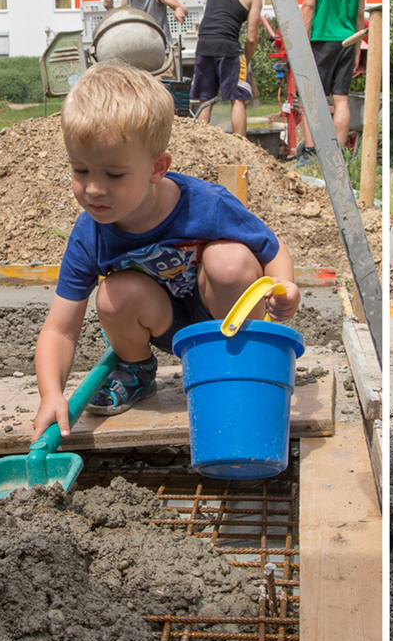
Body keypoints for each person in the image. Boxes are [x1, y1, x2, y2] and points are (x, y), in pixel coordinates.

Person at [31, 62, 301, 439]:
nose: (93, 189)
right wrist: (51, 394)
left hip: (225, 313)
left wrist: (285, 286)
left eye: (113, 174)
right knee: (112, 296)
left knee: (230, 262)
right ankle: (138, 370)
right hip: (162, 323)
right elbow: (60, 331)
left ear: (157, 167)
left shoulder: (206, 204)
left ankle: (238, 364)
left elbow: (271, 249)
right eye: (80, 170)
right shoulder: (90, 234)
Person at [301, 0, 367, 149]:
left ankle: (310, 152)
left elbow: (308, 7)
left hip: (321, 40)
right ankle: (339, 156)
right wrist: (358, 49)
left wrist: (300, 43)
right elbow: (360, 17)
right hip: (348, 41)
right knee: (341, 99)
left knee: (312, 99)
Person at [192, 0, 266, 136]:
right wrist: (246, 60)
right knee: (237, 99)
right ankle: (241, 146)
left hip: (203, 46)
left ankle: (202, 145)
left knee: (206, 99)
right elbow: (251, 38)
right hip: (228, 48)